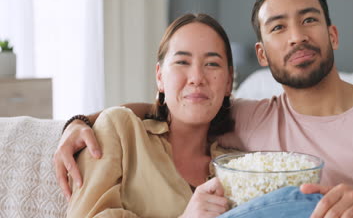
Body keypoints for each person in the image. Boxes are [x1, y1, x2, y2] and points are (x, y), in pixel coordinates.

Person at [55, 0, 353, 218]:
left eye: (309, 20)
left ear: (332, 35)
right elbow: (180, 107)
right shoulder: (248, 120)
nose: (296, 36)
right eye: (278, 28)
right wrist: (82, 122)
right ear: (262, 55)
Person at [64, 12, 323, 218]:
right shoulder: (120, 129)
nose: (197, 78)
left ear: (228, 81)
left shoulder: (236, 167)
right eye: (182, 62)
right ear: (159, 76)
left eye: (212, 64)